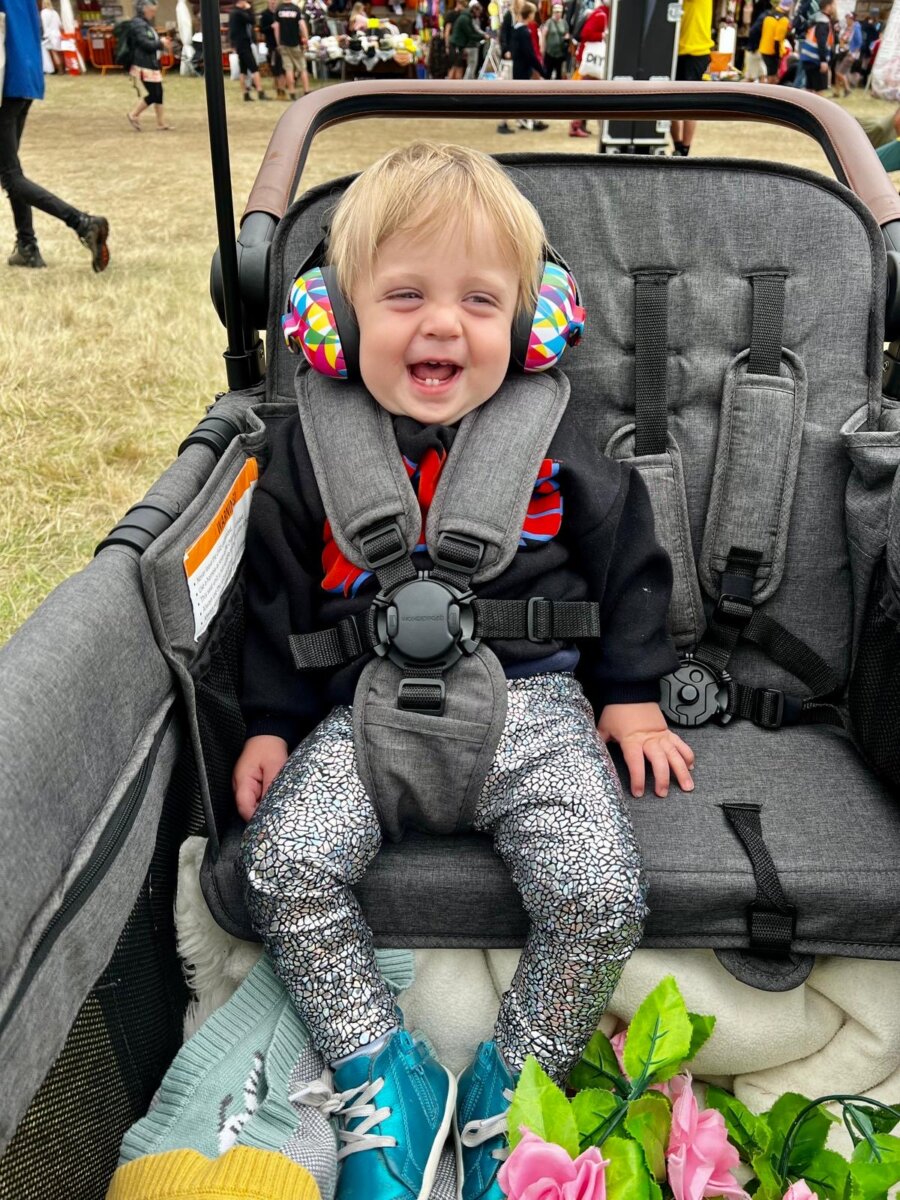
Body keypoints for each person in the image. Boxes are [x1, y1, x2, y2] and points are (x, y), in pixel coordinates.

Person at [236, 141, 693, 1200]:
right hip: (363, 712)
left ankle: (514, 1082)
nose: (443, 325)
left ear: (534, 324)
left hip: (532, 708)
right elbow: (274, 599)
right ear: (338, 324)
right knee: (282, 865)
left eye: (481, 302)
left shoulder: (559, 436)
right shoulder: (312, 448)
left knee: (600, 896)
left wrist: (628, 696)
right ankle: (376, 1064)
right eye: (404, 297)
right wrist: (268, 721)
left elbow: (632, 563)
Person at [0, 0, 109, 269]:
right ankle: (27, 245)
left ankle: (82, 223)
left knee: (11, 175)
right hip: (25, 77)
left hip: (5, 80)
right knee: (11, 170)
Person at [671, 0, 713, 155]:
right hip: (676, 50)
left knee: (690, 104)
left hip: (696, 52)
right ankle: (677, 147)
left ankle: (685, 150)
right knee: (670, 101)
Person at [127, 0, 174, 129]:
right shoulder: (138, 24)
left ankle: (161, 123)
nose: (154, 14)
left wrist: (160, 43)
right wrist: (161, 43)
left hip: (150, 63)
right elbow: (145, 44)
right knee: (154, 94)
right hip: (143, 65)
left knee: (159, 92)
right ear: (144, 9)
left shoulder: (144, 24)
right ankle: (134, 114)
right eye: (152, 11)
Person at [569, 0, 607, 137]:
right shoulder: (601, 14)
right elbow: (586, 34)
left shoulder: (600, 13)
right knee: (588, 94)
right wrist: (603, 36)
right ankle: (576, 125)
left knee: (589, 94)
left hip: (590, 60)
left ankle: (580, 125)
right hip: (591, 61)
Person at [229, 0, 269, 101]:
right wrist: (249, 8)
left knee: (243, 70)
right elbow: (252, 20)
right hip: (244, 44)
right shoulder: (239, 13)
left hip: (239, 44)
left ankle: (245, 93)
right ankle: (260, 91)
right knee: (254, 68)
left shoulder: (233, 13)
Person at [275, 0, 310, 99]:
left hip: (284, 44)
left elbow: (276, 27)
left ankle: (292, 92)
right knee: (302, 68)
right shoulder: (296, 9)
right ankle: (306, 91)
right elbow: (302, 25)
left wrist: (278, 42)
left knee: (288, 69)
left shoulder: (279, 9)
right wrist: (306, 39)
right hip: (295, 44)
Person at [798, 0, 834, 93]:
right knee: (819, 91)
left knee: (809, 89)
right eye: (834, 5)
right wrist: (823, 60)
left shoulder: (816, 18)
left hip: (808, 57)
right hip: (816, 59)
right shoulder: (823, 21)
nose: (835, 8)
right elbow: (821, 42)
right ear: (828, 6)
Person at [449, 0, 489, 80]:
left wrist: (482, 35)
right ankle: (455, 89)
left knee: (457, 68)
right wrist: (483, 36)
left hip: (458, 45)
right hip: (456, 45)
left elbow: (472, 32)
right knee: (457, 68)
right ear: (474, 10)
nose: (478, 15)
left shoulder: (467, 17)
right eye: (478, 13)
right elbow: (470, 34)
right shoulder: (465, 19)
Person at [259, 0, 287, 98]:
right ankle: (279, 90)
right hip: (272, 45)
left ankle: (281, 89)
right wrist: (271, 27)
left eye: (275, 1)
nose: (273, 2)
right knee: (276, 68)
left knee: (283, 68)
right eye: (271, 1)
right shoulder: (265, 14)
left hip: (283, 44)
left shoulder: (280, 13)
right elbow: (261, 29)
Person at [758, 0, 791, 84]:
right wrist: (777, 56)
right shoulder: (783, 20)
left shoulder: (768, 17)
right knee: (772, 77)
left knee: (768, 73)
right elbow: (777, 40)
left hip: (763, 48)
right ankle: (769, 94)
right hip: (773, 52)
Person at [540, 1, 569, 79]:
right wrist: (542, 48)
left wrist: (566, 38)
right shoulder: (549, 22)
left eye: (559, 12)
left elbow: (567, 33)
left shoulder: (564, 23)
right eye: (556, 12)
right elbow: (543, 35)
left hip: (560, 53)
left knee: (558, 74)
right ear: (553, 12)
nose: (558, 14)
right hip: (550, 52)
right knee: (548, 73)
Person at [40, 0, 64, 75]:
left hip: (50, 34)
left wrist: (45, 35)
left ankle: (58, 69)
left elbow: (44, 25)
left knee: (53, 52)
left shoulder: (44, 12)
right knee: (58, 52)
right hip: (57, 33)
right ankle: (61, 68)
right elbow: (60, 24)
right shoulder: (55, 12)